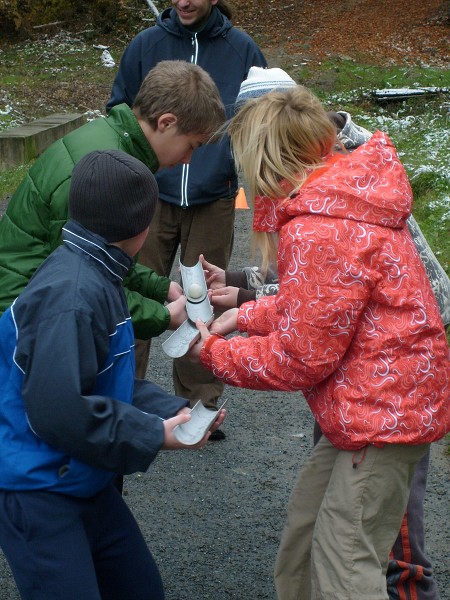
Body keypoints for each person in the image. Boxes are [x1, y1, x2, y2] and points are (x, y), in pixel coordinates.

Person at [188, 86, 450, 599]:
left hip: (380, 416)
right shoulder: (336, 200)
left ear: (267, 160)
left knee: (345, 566)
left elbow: (299, 358)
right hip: (362, 412)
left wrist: (214, 355)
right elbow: (319, 308)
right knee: (305, 545)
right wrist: (246, 313)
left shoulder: (320, 227)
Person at [0, 149, 226, 600]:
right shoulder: (74, 296)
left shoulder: (98, 273)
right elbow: (58, 410)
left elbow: (105, 380)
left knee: (139, 588)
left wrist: (176, 411)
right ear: (142, 229)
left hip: (82, 478)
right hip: (37, 488)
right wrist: (152, 435)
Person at [0, 60, 226, 380]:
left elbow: (107, 259)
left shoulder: (113, 145)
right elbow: (82, 283)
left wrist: (162, 288)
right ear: (166, 122)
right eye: (192, 146)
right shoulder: (103, 172)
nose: (188, 159)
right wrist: (161, 316)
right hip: (21, 321)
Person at [106, 0, 267, 438]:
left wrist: (229, 168)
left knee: (202, 298)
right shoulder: (146, 45)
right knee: (131, 293)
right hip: (149, 196)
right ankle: (123, 396)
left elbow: (259, 121)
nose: (183, 1)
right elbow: (119, 109)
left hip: (212, 198)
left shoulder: (241, 50)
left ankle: (200, 404)